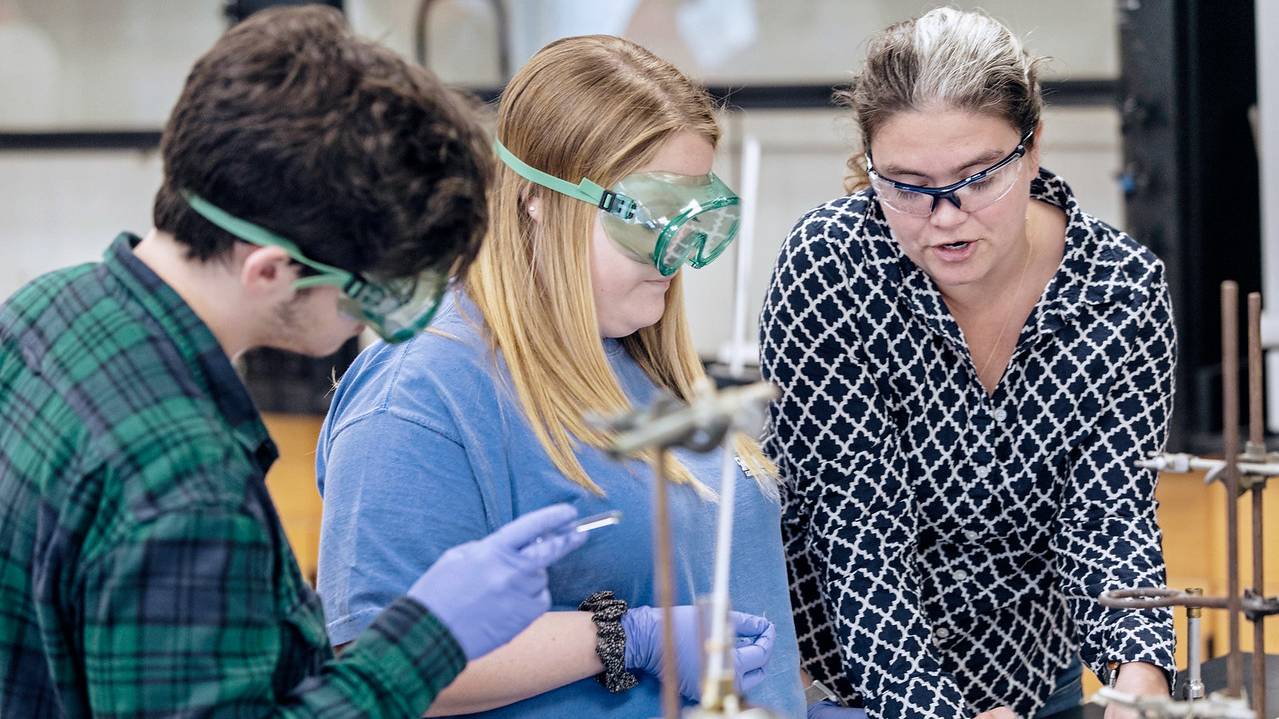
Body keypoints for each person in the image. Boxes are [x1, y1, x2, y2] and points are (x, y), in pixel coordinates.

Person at [0, 7, 588, 717]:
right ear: (272, 270)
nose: (368, 318)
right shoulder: (188, 485)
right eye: (370, 291)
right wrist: (430, 635)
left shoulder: (45, 308)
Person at [314, 35, 804, 718]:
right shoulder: (423, 390)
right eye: (649, 218)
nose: (677, 254)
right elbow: (376, 660)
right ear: (538, 200)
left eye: (693, 218)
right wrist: (622, 635)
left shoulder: (636, 357)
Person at [760, 8, 1175, 719]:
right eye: (906, 183)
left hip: (1030, 677)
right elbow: (857, 535)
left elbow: (1108, 511)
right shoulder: (830, 268)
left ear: (1033, 144)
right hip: (850, 685)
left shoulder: (1120, 292)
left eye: (977, 178)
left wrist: (1138, 672)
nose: (945, 216)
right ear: (868, 163)